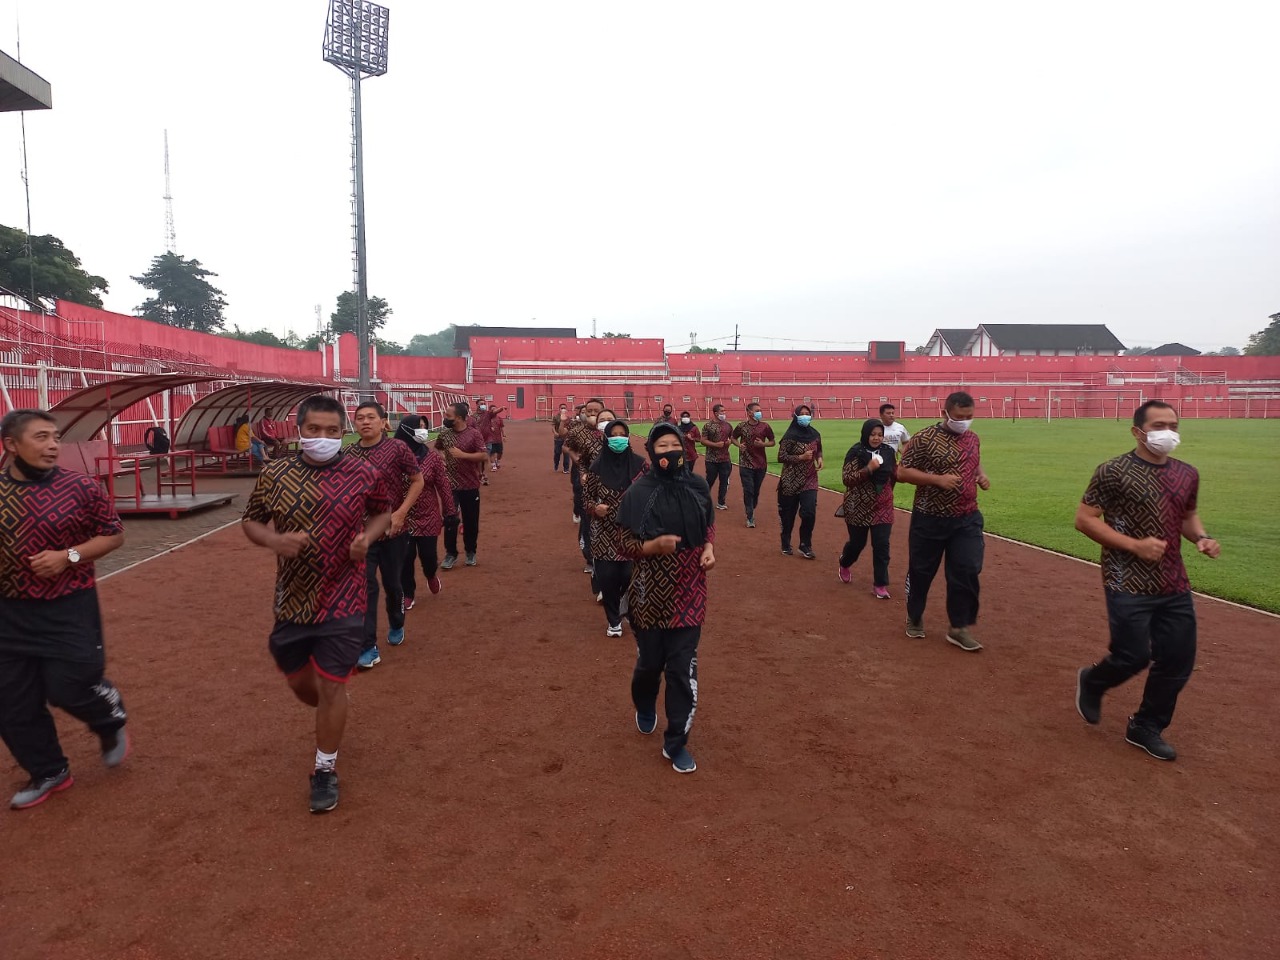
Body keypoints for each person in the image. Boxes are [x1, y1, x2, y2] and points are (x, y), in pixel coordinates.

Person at [241, 395, 393, 813]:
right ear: (299, 430)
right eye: (314, 430)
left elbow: (383, 512)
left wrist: (368, 537)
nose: (322, 438)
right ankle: (331, 705)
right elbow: (250, 519)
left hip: (345, 594)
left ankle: (324, 769)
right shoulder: (276, 473)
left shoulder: (364, 471)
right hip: (292, 597)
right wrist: (274, 540)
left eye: (331, 431)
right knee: (300, 684)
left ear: (341, 431)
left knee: (331, 685)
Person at [1073, 401, 1219, 761]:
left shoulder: (1187, 473)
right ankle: (1093, 681)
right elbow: (1085, 519)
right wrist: (1134, 546)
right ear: (1137, 431)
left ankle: (1146, 725)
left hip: (1173, 581)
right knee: (1133, 655)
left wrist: (1200, 537)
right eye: (1158, 425)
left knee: (1178, 658)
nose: (1166, 432)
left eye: (1172, 424)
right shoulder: (1113, 471)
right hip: (1127, 579)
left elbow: (1187, 515)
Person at [0, 409, 129, 811]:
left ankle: (109, 717)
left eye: (55, 437)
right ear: (11, 445)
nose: (53, 445)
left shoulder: (80, 488)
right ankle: (49, 770)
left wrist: (68, 556)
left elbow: (113, 535)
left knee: (68, 686)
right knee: (11, 702)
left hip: (69, 606)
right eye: (41, 437)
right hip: (8, 613)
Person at [617, 423, 716, 774]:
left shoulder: (697, 485)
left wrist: (708, 548)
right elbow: (623, 544)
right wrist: (651, 547)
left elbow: (706, 524)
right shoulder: (638, 492)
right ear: (651, 451)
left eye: (675, 444)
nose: (670, 450)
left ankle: (676, 742)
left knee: (681, 669)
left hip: (691, 588)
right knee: (650, 666)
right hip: (650, 593)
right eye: (662, 445)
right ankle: (645, 704)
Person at [896, 391, 990, 652]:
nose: (965, 422)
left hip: (967, 518)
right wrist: (937, 480)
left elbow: (975, 463)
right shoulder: (924, 438)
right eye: (960, 417)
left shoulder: (973, 438)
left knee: (967, 569)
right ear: (945, 413)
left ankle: (958, 627)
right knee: (922, 571)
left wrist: (981, 476)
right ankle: (915, 615)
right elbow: (902, 472)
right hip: (930, 518)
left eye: (969, 417)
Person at [346, 402, 423, 670]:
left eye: (370, 417)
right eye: (359, 418)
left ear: (383, 421)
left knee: (393, 585)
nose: (365, 422)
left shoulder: (397, 449)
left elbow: (418, 480)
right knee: (364, 588)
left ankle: (397, 621)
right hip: (362, 535)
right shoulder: (349, 454)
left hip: (393, 532)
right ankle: (367, 646)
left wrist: (401, 513)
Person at [583, 419, 647, 636]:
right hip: (603, 533)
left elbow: (652, 494)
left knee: (629, 575)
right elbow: (586, 498)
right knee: (608, 578)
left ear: (628, 437)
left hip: (631, 531)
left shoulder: (640, 465)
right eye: (614, 434)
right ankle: (614, 621)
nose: (618, 438)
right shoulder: (597, 467)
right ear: (606, 438)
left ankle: (625, 606)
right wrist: (594, 507)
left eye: (622, 433)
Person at [394, 416, 455, 611]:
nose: (423, 431)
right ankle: (408, 593)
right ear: (406, 430)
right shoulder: (394, 457)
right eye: (418, 427)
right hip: (401, 517)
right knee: (405, 558)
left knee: (428, 557)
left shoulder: (432, 458)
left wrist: (450, 512)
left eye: (424, 427)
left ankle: (430, 574)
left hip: (428, 515)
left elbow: (443, 486)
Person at [838, 419, 897, 598]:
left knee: (881, 545)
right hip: (858, 506)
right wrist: (868, 469)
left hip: (883, 505)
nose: (876, 438)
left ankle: (880, 584)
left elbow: (893, 474)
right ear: (866, 434)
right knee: (857, 544)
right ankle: (845, 562)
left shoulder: (888, 452)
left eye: (880, 435)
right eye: (873, 434)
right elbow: (847, 479)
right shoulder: (856, 452)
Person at [435, 401, 488, 569]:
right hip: (450, 484)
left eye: (448, 416)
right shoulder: (444, 434)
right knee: (450, 520)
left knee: (471, 521)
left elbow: (483, 456)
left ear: (458, 418)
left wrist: (462, 455)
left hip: (470, 484)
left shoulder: (474, 434)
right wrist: (443, 457)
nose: (445, 418)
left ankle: (470, 551)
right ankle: (451, 554)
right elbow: (439, 448)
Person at [564, 399, 606, 577]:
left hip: (608, 480)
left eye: (596, 411)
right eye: (589, 411)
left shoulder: (611, 431)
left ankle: (607, 555)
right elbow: (567, 447)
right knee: (588, 515)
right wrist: (578, 462)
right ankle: (589, 557)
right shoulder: (577, 432)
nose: (592, 414)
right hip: (585, 478)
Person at [776, 405, 823, 559]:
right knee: (788, 516)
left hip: (809, 479)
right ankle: (785, 541)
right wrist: (800, 458)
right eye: (801, 414)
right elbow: (781, 457)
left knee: (809, 512)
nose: (805, 416)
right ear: (796, 417)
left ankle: (805, 544)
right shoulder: (790, 436)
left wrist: (819, 458)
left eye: (807, 414)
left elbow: (819, 448)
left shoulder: (815, 434)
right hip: (790, 480)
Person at [731, 402, 775, 528]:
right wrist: (739, 445)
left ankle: (751, 506)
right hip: (745, 463)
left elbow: (772, 442)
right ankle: (750, 516)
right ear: (749, 412)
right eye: (757, 410)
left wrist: (763, 444)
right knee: (748, 489)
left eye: (760, 410)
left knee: (755, 491)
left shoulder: (765, 427)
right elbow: (733, 438)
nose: (759, 412)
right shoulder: (741, 426)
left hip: (761, 464)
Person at [700, 404, 733, 511]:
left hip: (725, 459)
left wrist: (729, 442)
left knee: (724, 481)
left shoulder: (728, 426)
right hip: (711, 459)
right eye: (721, 411)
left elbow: (732, 438)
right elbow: (703, 440)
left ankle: (721, 502)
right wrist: (715, 445)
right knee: (710, 480)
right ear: (715, 413)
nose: (724, 413)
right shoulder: (708, 426)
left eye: (724, 411)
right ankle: (703, 500)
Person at [676, 411, 701, 476]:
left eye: (687, 416)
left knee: (689, 471)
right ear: (681, 418)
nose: (685, 418)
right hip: (680, 454)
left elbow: (699, 439)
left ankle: (687, 485)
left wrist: (692, 438)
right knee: (681, 471)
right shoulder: (678, 428)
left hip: (691, 454)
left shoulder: (694, 428)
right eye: (684, 417)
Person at [483, 405, 507, 471]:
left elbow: (502, 427)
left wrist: (504, 436)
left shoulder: (499, 418)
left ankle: (497, 460)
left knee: (500, 452)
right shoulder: (486, 419)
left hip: (498, 439)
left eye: (495, 409)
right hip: (490, 439)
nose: (494, 411)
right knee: (492, 453)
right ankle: (493, 465)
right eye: (492, 409)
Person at [552, 404, 571, 473]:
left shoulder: (568, 418)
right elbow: (553, 426)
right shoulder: (556, 417)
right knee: (557, 453)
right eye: (562, 408)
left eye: (564, 408)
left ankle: (566, 469)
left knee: (566, 453)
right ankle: (556, 465)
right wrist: (555, 433)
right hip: (558, 438)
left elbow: (570, 427)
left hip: (566, 438)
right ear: (559, 409)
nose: (563, 409)